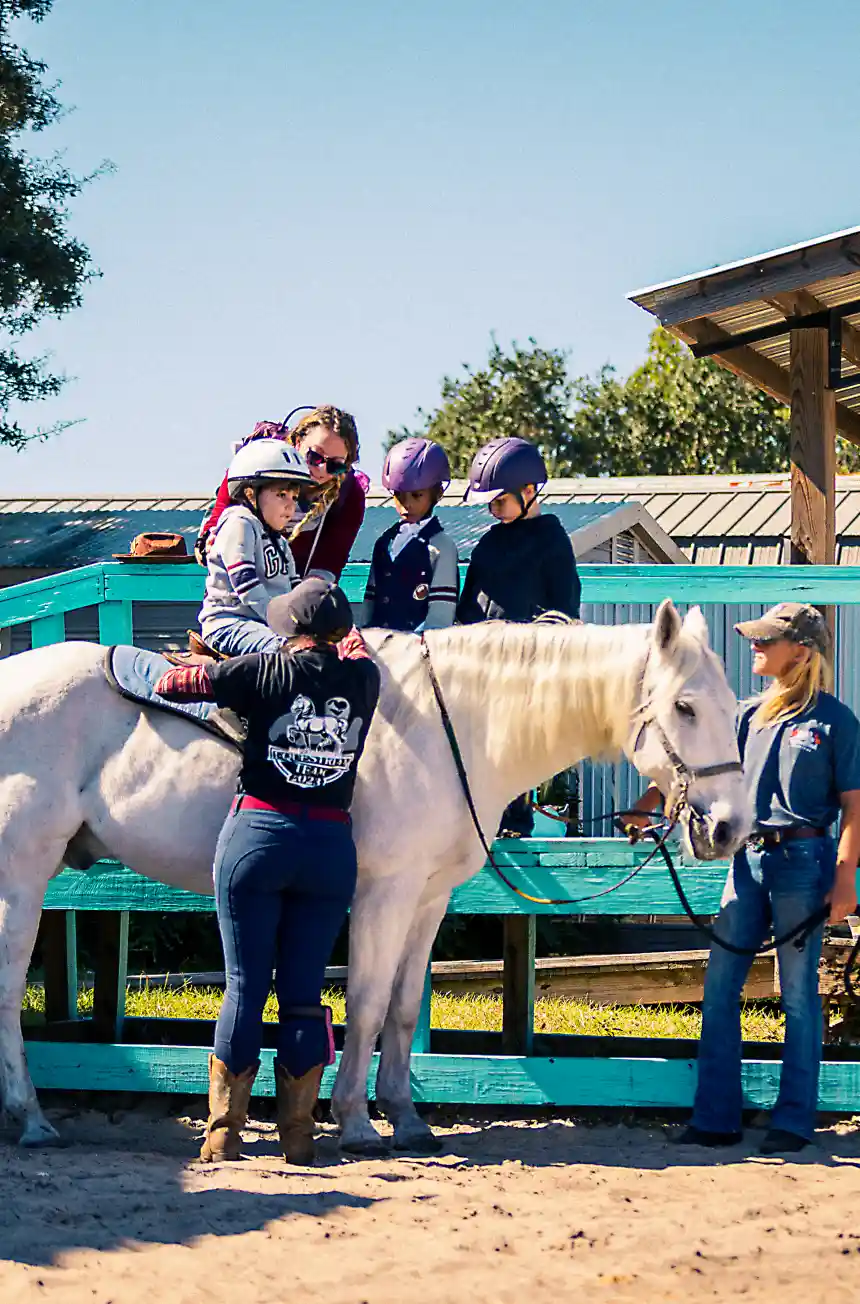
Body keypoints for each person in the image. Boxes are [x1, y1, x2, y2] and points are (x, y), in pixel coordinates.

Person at [155, 579, 380, 1165]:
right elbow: (358, 650)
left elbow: (174, 684)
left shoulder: (260, 670)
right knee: (304, 995)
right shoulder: (365, 680)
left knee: (246, 986)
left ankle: (224, 1133)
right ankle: (299, 1135)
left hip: (259, 833)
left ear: (291, 628)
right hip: (329, 847)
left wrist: (203, 663)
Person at [627, 603, 860, 1155]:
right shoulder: (744, 715)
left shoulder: (835, 722)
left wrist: (846, 880)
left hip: (805, 863)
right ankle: (715, 1117)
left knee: (799, 996)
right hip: (747, 862)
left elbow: (856, 808)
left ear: (800, 651)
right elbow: (697, 764)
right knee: (719, 988)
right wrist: (645, 805)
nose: (755, 647)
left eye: (766, 640)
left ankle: (794, 1121)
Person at [456, 435, 582, 836]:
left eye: (500, 500)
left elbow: (566, 610)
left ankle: (520, 824)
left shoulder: (552, 541)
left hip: (529, 669)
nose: (494, 510)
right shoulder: (490, 541)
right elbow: (469, 602)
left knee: (520, 753)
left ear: (530, 491)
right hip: (482, 664)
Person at [197, 406, 367, 582]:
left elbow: (330, 563)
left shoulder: (350, 494)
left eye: (336, 465)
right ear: (298, 442)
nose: (321, 469)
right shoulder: (253, 464)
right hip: (235, 594)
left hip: (294, 599)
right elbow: (214, 526)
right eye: (315, 456)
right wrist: (210, 543)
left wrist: (304, 599)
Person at [198, 438, 315, 657]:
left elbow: (293, 589)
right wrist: (283, 624)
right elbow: (247, 586)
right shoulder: (240, 522)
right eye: (281, 495)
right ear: (250, 493)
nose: (291, 506)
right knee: (291, 651)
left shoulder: (279, 541)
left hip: (264, 625)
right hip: (230, 622)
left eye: (295, 497)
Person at [356, 437, 459, 631]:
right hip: (380, 646)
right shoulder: (384, 542)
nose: (407, 504)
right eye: (398, 496)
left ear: (437, 493)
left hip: (419, 652)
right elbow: (370, 600)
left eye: (417, 495)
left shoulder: (441, 546)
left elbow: (441, 614)